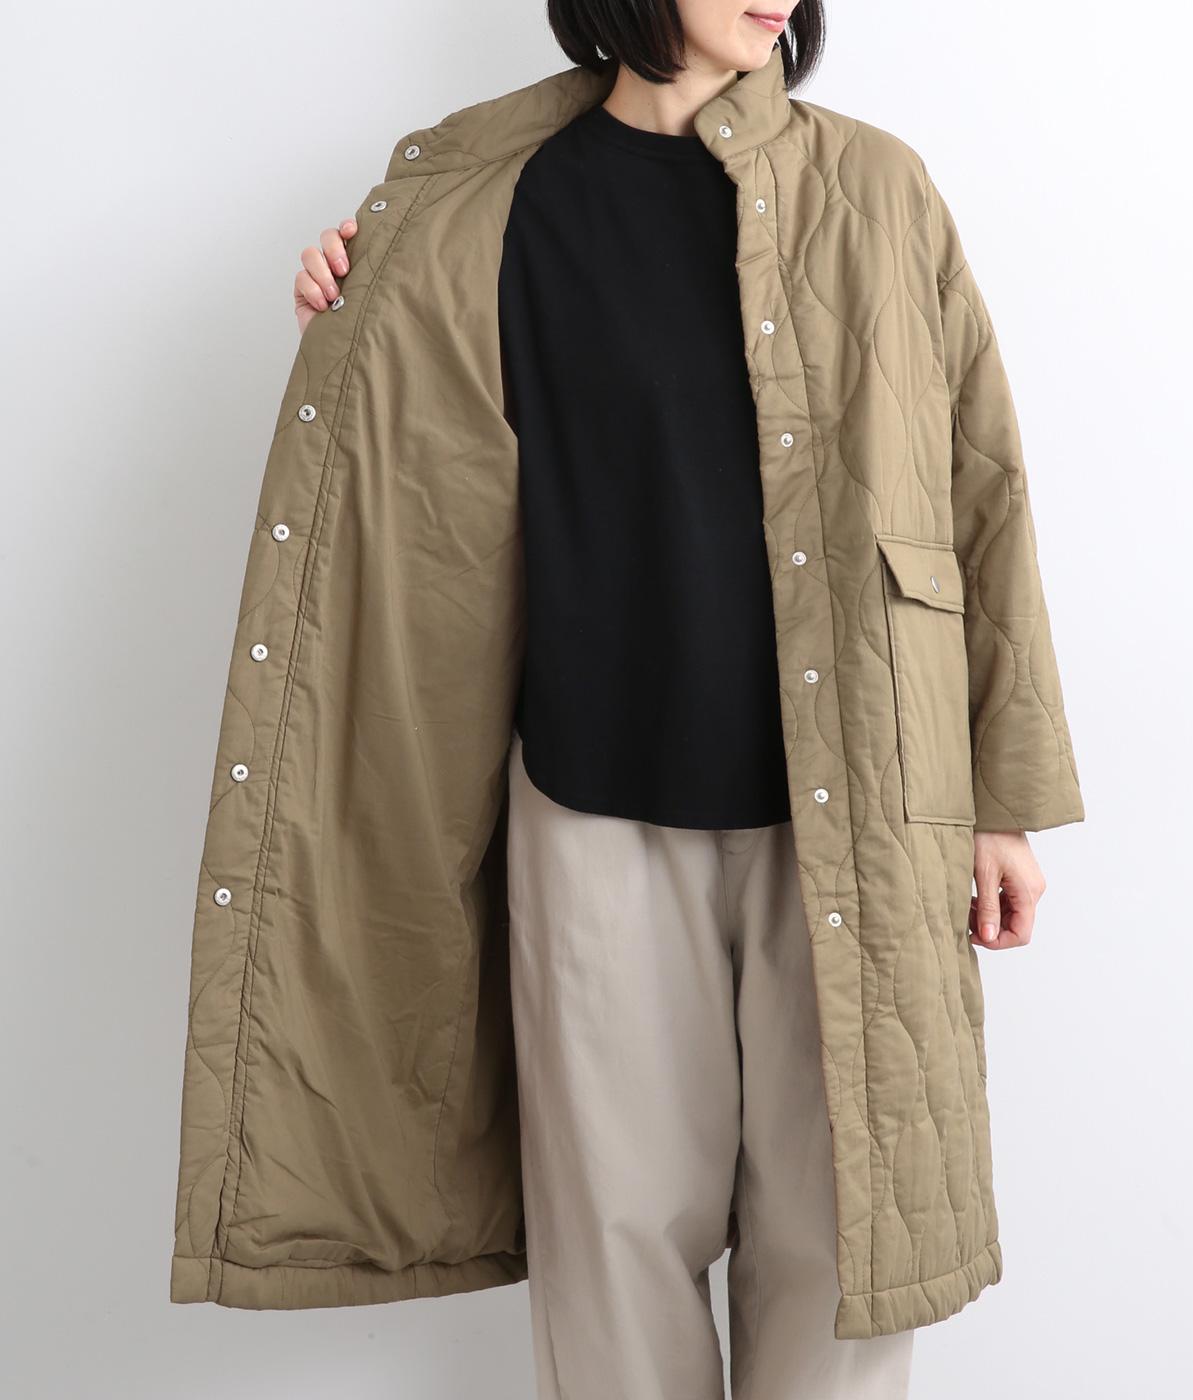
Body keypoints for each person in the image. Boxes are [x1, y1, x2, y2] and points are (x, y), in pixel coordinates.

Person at [170, 4, 1084, 1398]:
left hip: (853, 802)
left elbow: (982, 492)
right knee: (611, 1250)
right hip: (590, 802)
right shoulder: (481, 206)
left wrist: (1002, 801)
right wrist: (355, 313)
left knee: (843, 1250)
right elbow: (408, 467)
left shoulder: (877, 187)